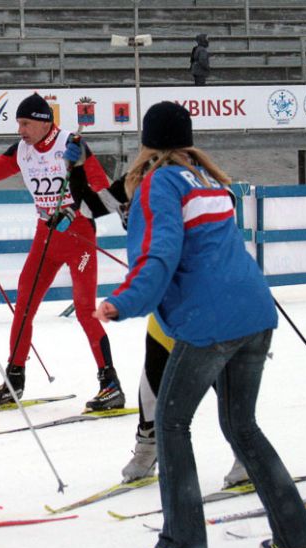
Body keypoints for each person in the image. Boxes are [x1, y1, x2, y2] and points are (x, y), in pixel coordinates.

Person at [95, 101, 306, 548]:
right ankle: (297, 534)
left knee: (172, 425)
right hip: (254, 313)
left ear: (146, 143)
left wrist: (123, 301)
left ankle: (183, 544)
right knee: (242, 425)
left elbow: (159, 255)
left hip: (208, 322)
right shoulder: (209, 181)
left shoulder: (159, 183)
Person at [68, 165, 249, 488]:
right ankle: (149, 447)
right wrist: (76, 168)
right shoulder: (135, 179)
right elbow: (88, 208)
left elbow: (225, 214)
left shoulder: (201, 178)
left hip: (204, 297)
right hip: (168, 299)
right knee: (152, 373)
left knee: (216, 375)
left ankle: (245, 451)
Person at [0, 92, 125, 412]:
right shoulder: (21, 151)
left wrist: (75, 202)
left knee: (85, 308)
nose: (21, 130)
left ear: (45, 123)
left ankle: (110, 384)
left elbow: (103, 190)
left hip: (80, 240)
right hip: (45, 237)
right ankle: (14, 379)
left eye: (26, 123)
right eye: (18, 123)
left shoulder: (71, 144)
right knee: (25, 304)